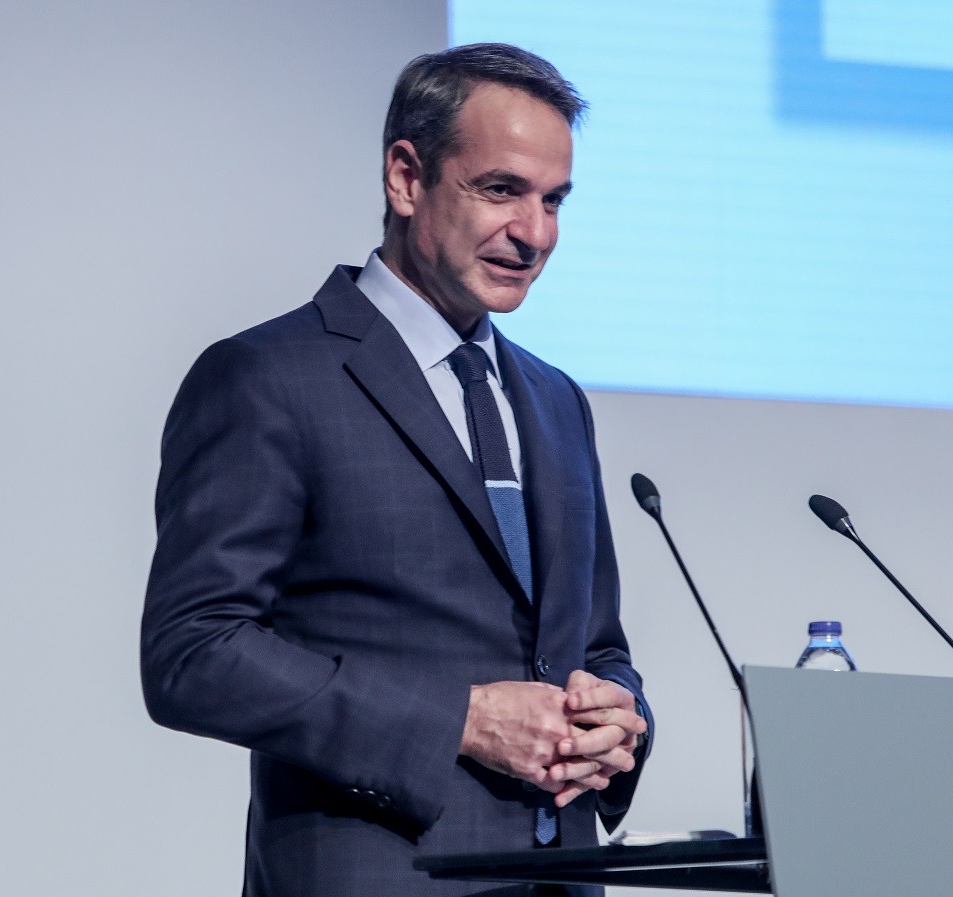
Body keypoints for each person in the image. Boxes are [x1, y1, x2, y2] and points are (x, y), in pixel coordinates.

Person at [141, 43, 652, 896]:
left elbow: (596, 645)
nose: (535, 234)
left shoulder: (558, 401)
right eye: (501, 189)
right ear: (407, 178)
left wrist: (620, 717)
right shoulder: (269, 377)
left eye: (553, 200)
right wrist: (462, 719)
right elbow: (193, 652)